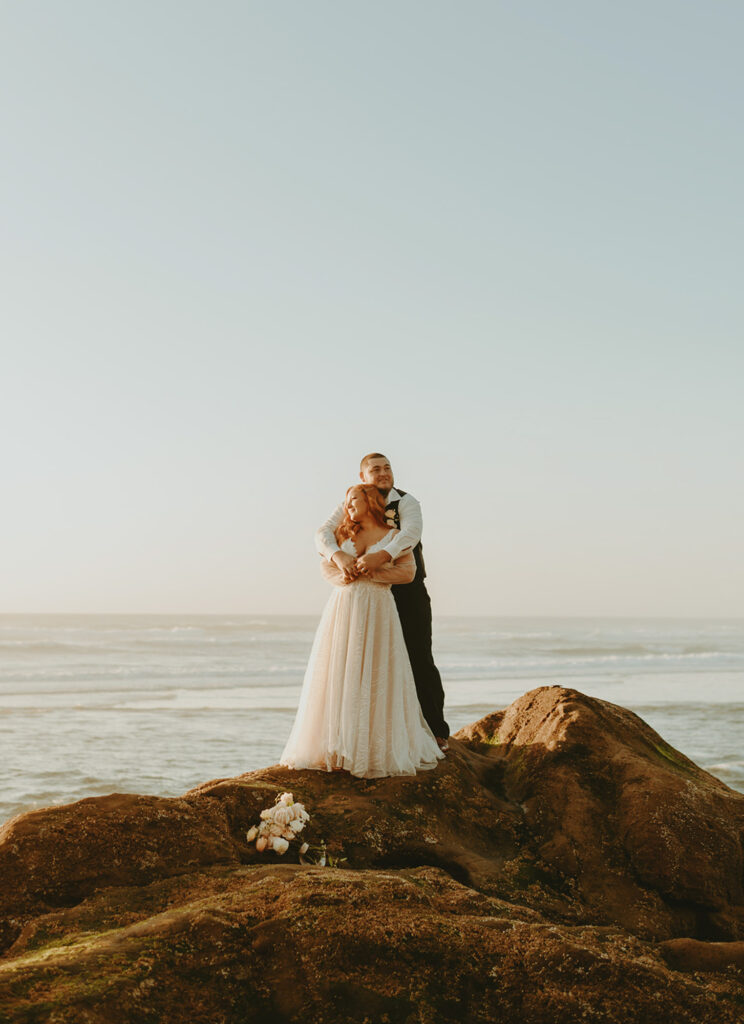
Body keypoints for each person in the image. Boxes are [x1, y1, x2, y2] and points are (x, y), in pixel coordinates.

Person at [280, 484, 443, 778]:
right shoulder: (344, 534)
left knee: (377, 674)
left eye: (353, 499)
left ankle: (373, 749)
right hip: (345, 606)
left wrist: (374, 571)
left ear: (369, 500)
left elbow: (408, 573)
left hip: (379, 607)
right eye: (346, 501)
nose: (348, 505)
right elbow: (324, 568)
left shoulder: (394, 535)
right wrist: (345, 569)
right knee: (342, 670)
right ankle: (336, 746)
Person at [315, 453, 450, 750]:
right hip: (365, 596)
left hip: (406, 588)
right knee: (366, 660)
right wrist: (338, 555)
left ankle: (436, 731)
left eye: (387, 468)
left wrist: (383, 554)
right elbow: (323, 532)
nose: (383, 473)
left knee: (418, 656)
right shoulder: (352, 501)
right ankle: (366, 735)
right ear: (363, 477)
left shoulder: (407, 502)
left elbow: (411, 534)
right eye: (375, 469)